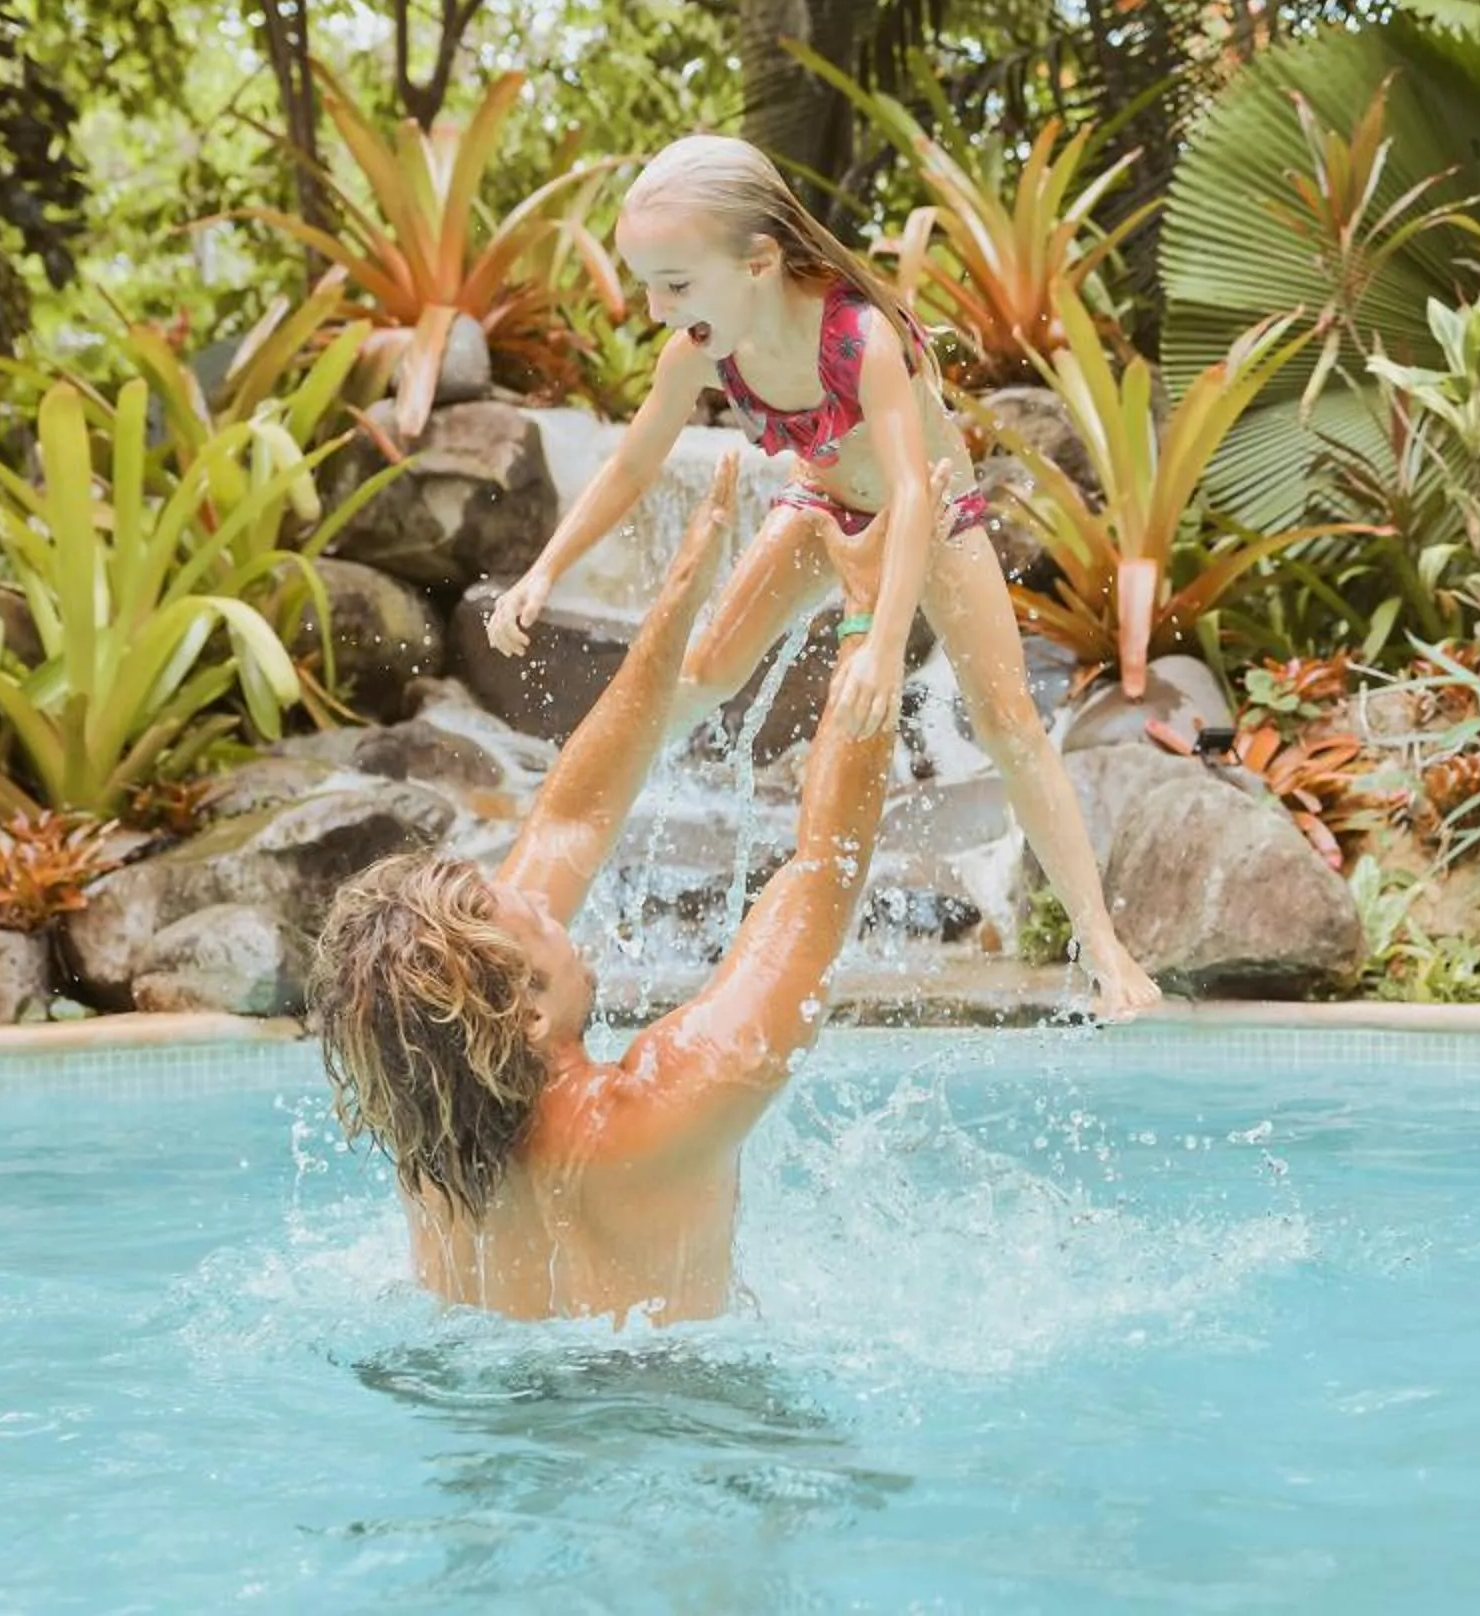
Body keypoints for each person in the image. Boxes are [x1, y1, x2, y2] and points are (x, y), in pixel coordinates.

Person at [481, 132, 1160, 1020]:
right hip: (821, 507)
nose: (654, 307)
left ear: (758, 262)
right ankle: (537, 880)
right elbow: (631, 468)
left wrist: (882, 645)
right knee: (696, 677)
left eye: (675, 283)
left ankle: (1104, 948)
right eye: (647, 281)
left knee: (1008, 721)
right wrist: (543, 570)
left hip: (936, 519)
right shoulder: (698, 348)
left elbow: (914, 494)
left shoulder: (860, 337)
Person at [307, 458, 899, 1326]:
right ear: (530, 1018)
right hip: (685, 1427)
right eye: (534, 916)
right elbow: (822, 872)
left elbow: (569, 821)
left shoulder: (429, 1128)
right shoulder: (659, 1108)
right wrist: (869, 611)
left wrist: (680, 603)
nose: (547, 900)